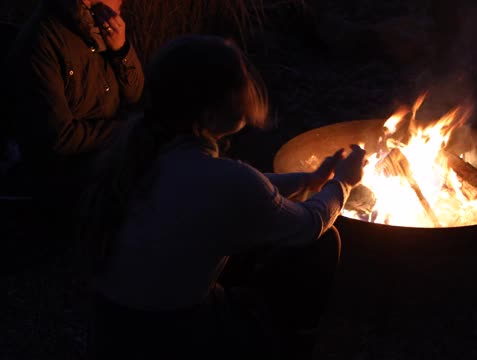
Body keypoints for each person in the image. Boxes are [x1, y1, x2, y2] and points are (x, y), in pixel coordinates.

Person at [79, 34, 366, 359]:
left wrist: (310, 180)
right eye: (239, 88)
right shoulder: (226, 181)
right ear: (212, 111)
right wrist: (343, 182)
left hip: (111, 331)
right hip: (168, 338)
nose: (248, 94)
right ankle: (288, 344)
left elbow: (237, 190)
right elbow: (310, 224)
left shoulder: (141, 152)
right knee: (322, 244)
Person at [3, 0, 144, 252]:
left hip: (105, 153)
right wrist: (125, 132)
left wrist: (121, 50)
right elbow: (58, 138)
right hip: (68, 172)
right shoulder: (44, 41)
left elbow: (135, 95)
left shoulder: (101, 28)